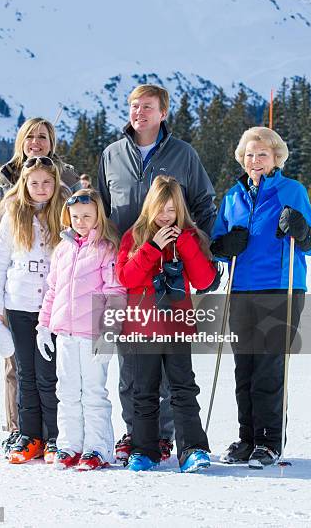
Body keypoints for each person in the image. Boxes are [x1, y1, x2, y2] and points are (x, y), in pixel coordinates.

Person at [98, 84, 217, 462]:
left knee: (175, 371)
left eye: (147, 107)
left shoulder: (183, 154)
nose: (139, 113)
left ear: (162, 112)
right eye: (134, 106)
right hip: (126, 270)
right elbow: (101, 207)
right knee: (133, 365)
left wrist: (200, 249)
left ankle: (167, 438)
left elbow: (203, 202)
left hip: (173, 274)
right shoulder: (112, 154)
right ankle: (137, 435)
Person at [210, 126, 311, 469]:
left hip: (281, 286)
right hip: (242, 288)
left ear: (276, 157)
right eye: (249, 154)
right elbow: (216, 244)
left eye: (262, 154)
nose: (255, 160)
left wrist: (302, 231)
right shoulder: (233, 196)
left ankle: (269, 441)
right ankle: (247, 438)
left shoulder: (291, 191)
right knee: (244, 366)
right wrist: (224, 246)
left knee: (269, 367)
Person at [0, 117, 79, 456]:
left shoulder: (65, 183)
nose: (36, 142)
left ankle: (54, 433)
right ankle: (21, 431)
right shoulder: (6, 187)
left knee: (49, 370)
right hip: (16, 295)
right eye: (30, 136)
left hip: (51, 302)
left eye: (43, 137)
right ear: (21, 140)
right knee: (19, 369)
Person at [116, 176, 218, 472]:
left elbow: (204, 280)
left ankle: (193, 449)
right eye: (160, 209)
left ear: (180, 210)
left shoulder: (190, 237)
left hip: (176, 326)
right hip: (143, 326)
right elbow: (126, 279)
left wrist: (185, 243)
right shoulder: (134, 237)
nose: (165, 216)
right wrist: (150, 248)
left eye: (172, 210)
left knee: (182, 388)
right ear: (150, 207)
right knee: (144, 390)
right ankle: (143, 450)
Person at [37, 189, 126, 471]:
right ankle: (69, 445)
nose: (81, 221)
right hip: (65, 334)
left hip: (92, 335)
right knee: (67, 391)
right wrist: (43, 325)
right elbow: (52, 290)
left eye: (87, 216)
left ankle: (97, 448)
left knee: (93, 392)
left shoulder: (105, 249)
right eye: (76, 217)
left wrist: (108, 333)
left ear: (98, 215)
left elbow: (115, 292)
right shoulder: (63, 249)